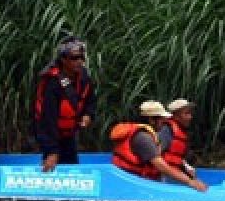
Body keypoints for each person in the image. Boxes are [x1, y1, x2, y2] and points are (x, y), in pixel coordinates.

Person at [31, 36, 97, 172]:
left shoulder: (84, 78)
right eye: (74, 58)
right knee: (51, 168)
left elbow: (90, 100)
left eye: (81, 58)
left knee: (73, 170)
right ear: (63, 60)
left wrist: (87, 114)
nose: (79, 61)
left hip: (69, 137)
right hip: (52, 138)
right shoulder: (53, 84)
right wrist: (52, 151)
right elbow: (47, 121)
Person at [111, 100, 207, 192]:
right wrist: (189, 181)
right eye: (161, 119)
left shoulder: (142, 133)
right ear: (151, 120)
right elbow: (161, 165)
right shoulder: (143, 138)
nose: (164, 121)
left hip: (132, 180)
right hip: (134, 183)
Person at [160, 98, 198, 179]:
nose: (190, 117)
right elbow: (156, 156)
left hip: (175, 172)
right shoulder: (166, 130)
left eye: (190, 113)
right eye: (186, 114)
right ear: (176, 116)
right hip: (164, 175)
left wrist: (186, 166)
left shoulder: (181, 130)